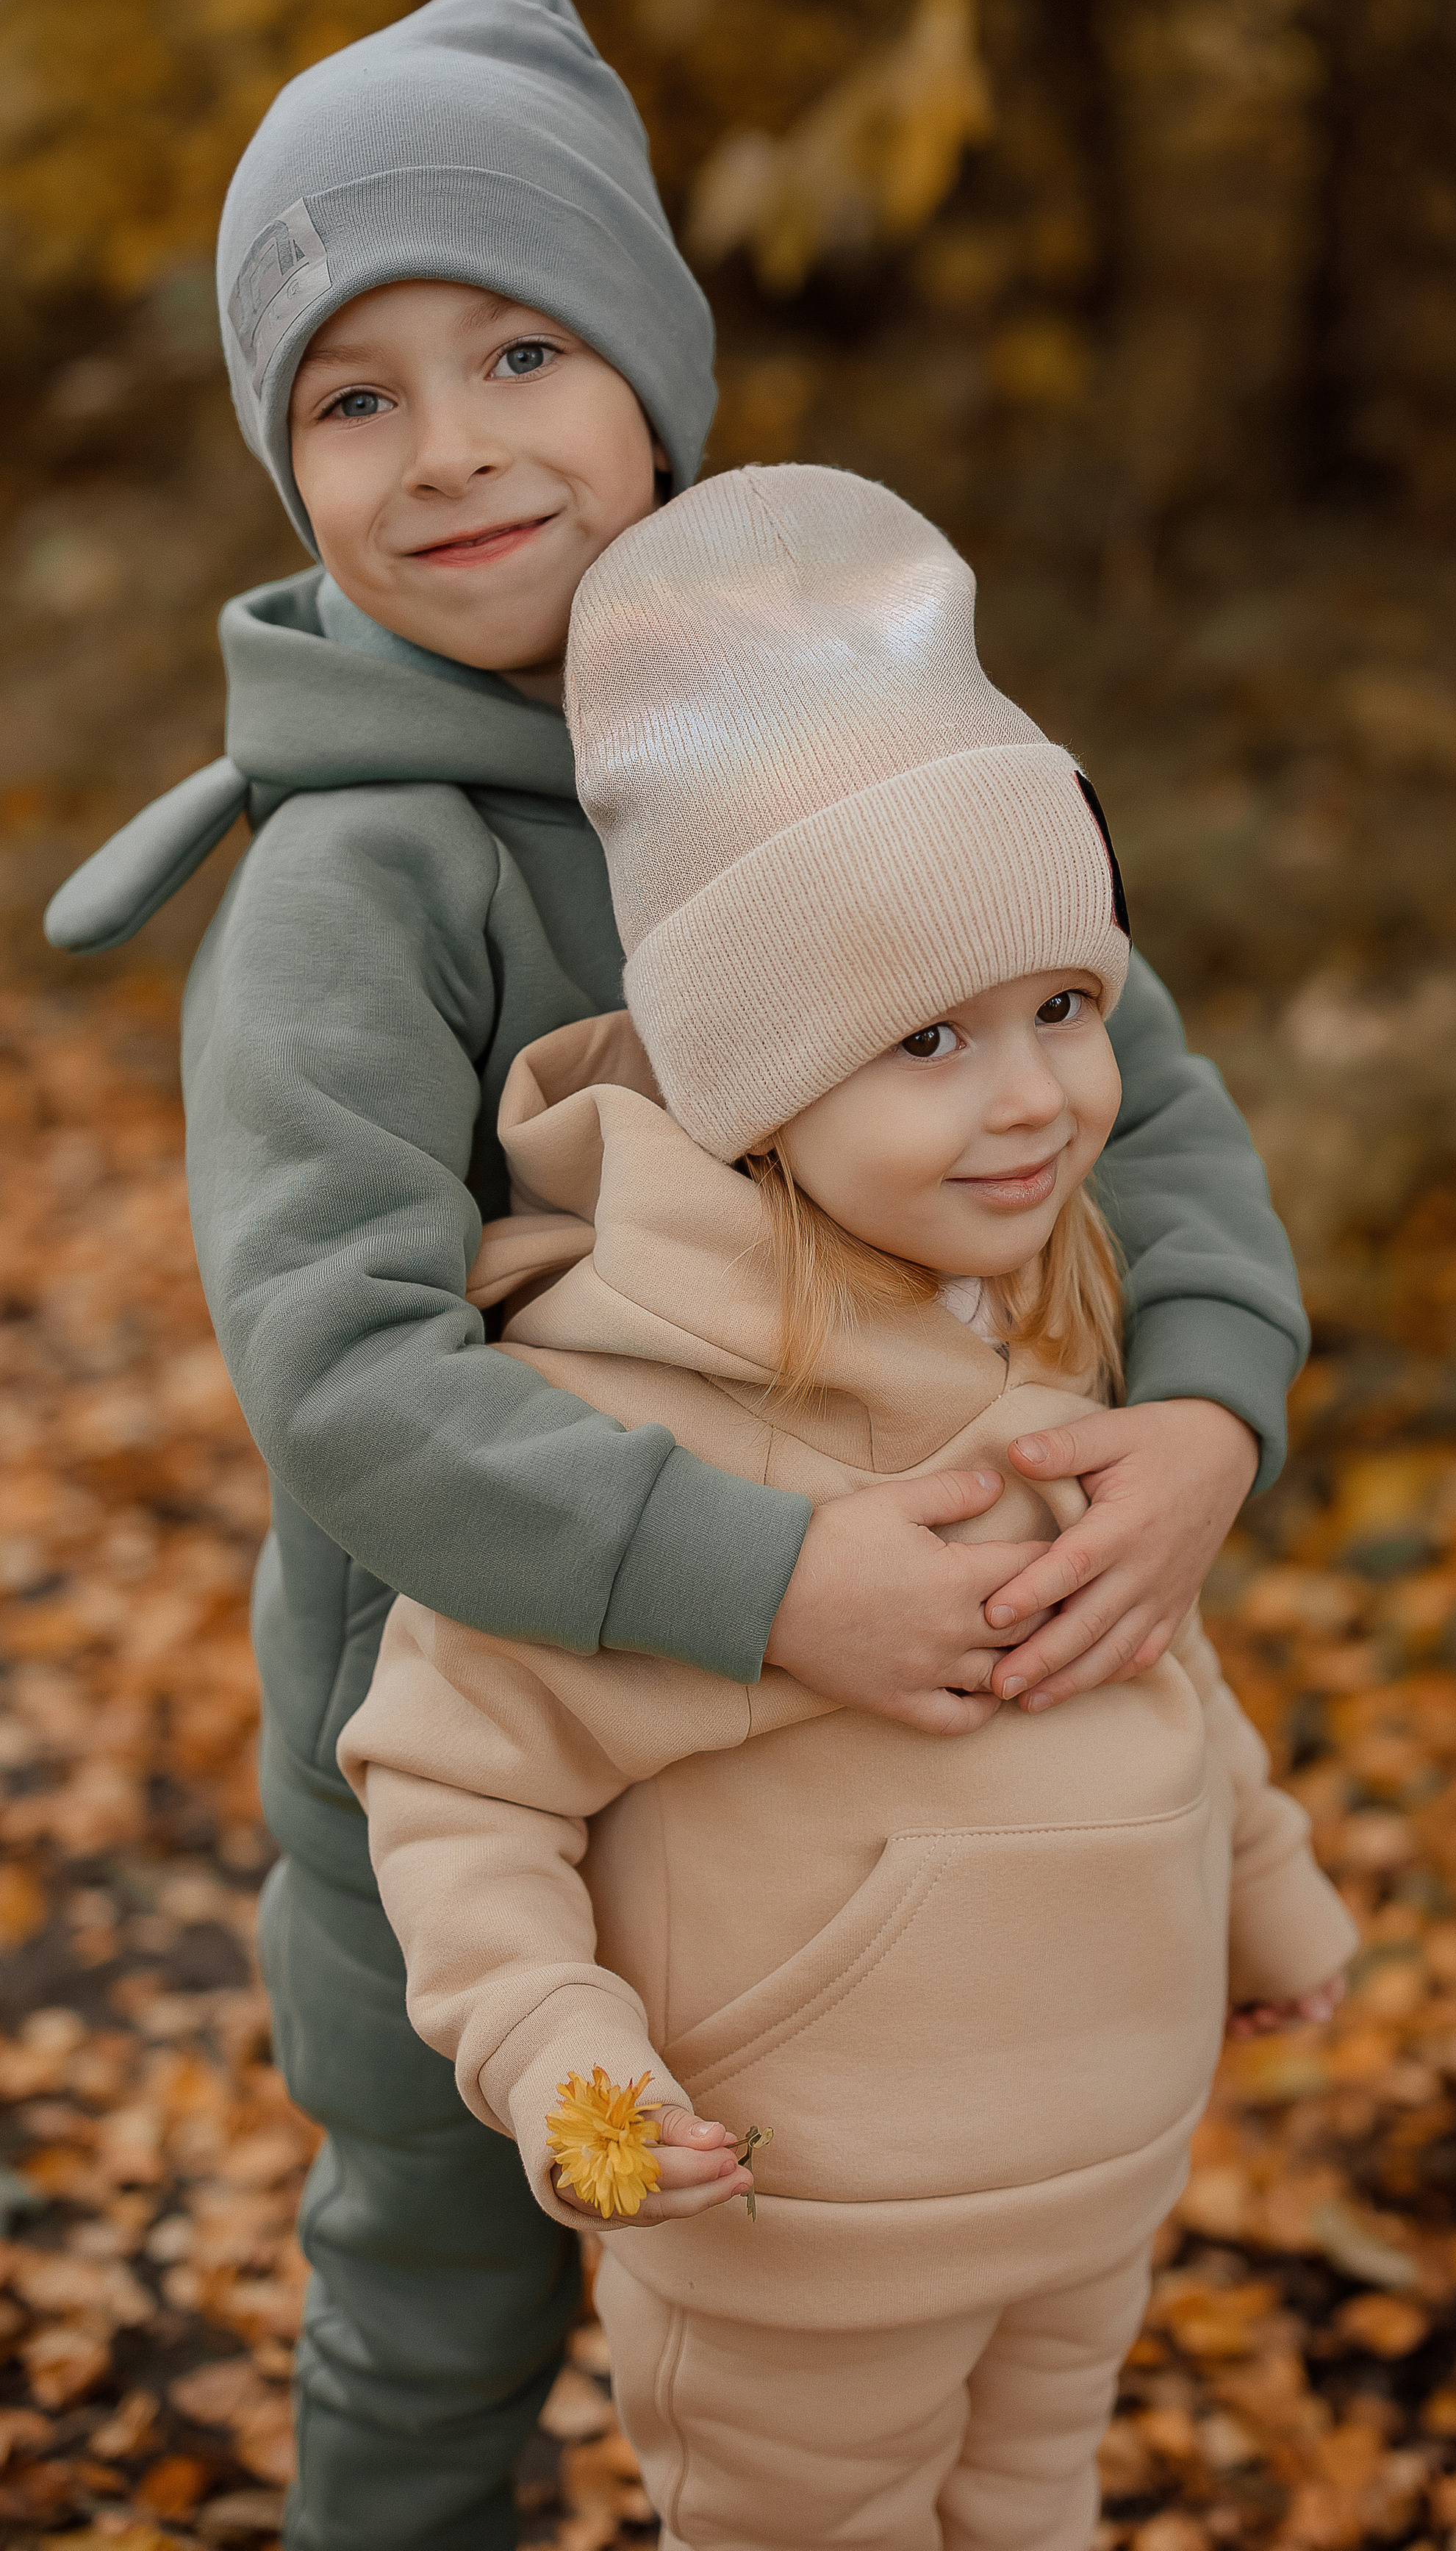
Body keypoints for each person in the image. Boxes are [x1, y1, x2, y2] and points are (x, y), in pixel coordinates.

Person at [43, 0, 1310, 2551]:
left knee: (831, 2305)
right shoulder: (356, 886)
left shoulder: (829, 718)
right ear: (289, 473)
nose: (454, 449)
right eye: (354, 395)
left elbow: (1135, 1083)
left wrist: (1204, 1408)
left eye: (522, 349)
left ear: (656, 376)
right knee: (446, 2287)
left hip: (865, 1800)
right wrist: (765, 1583)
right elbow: (348, 1375)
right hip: (493, 1767)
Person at [340, 462, 1355, 2551]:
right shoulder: (620, 1415)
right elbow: (461, 1789)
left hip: (1091, 2169)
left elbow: (1139, 1638)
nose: (1034, 1094)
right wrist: (560, 2062)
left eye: (1066, 1011)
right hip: (810, 2217)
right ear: (767, 1080)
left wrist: (1259, 1876)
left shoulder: (1046, 1311)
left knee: (1034, 2509)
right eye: (930, 1038)